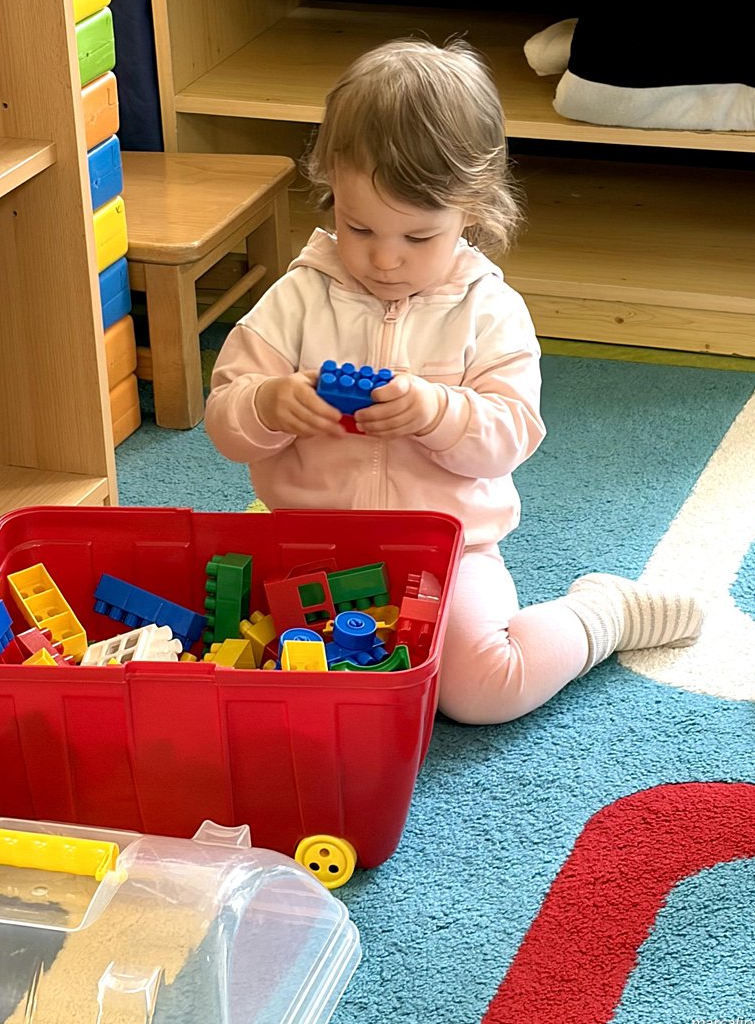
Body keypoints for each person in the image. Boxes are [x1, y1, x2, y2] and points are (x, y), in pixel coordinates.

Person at [205, 37, 704, 725]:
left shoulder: (489, 310)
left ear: (471, 208)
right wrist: (268, 403)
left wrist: (436, 413)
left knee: (482, 689)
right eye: (358, 227)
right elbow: (226, 420)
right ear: (331, 188)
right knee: (230, 654)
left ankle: (602, 614)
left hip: (445, 553)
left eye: (418, 237)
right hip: (306, 542)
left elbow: (511, 435)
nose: (384, 260)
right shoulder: (297, 299)